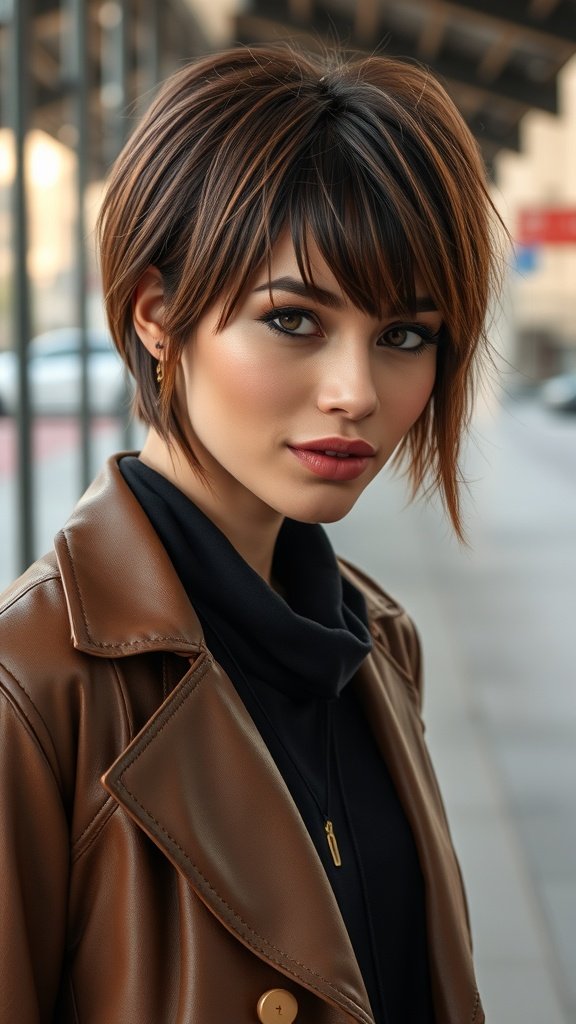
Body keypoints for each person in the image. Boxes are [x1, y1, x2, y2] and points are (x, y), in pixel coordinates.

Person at [0, 44, 502, 1024]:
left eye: (405, 335)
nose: (357, 392)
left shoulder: (376, 643)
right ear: (157, 314)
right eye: (294, 320)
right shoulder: (35, 685)